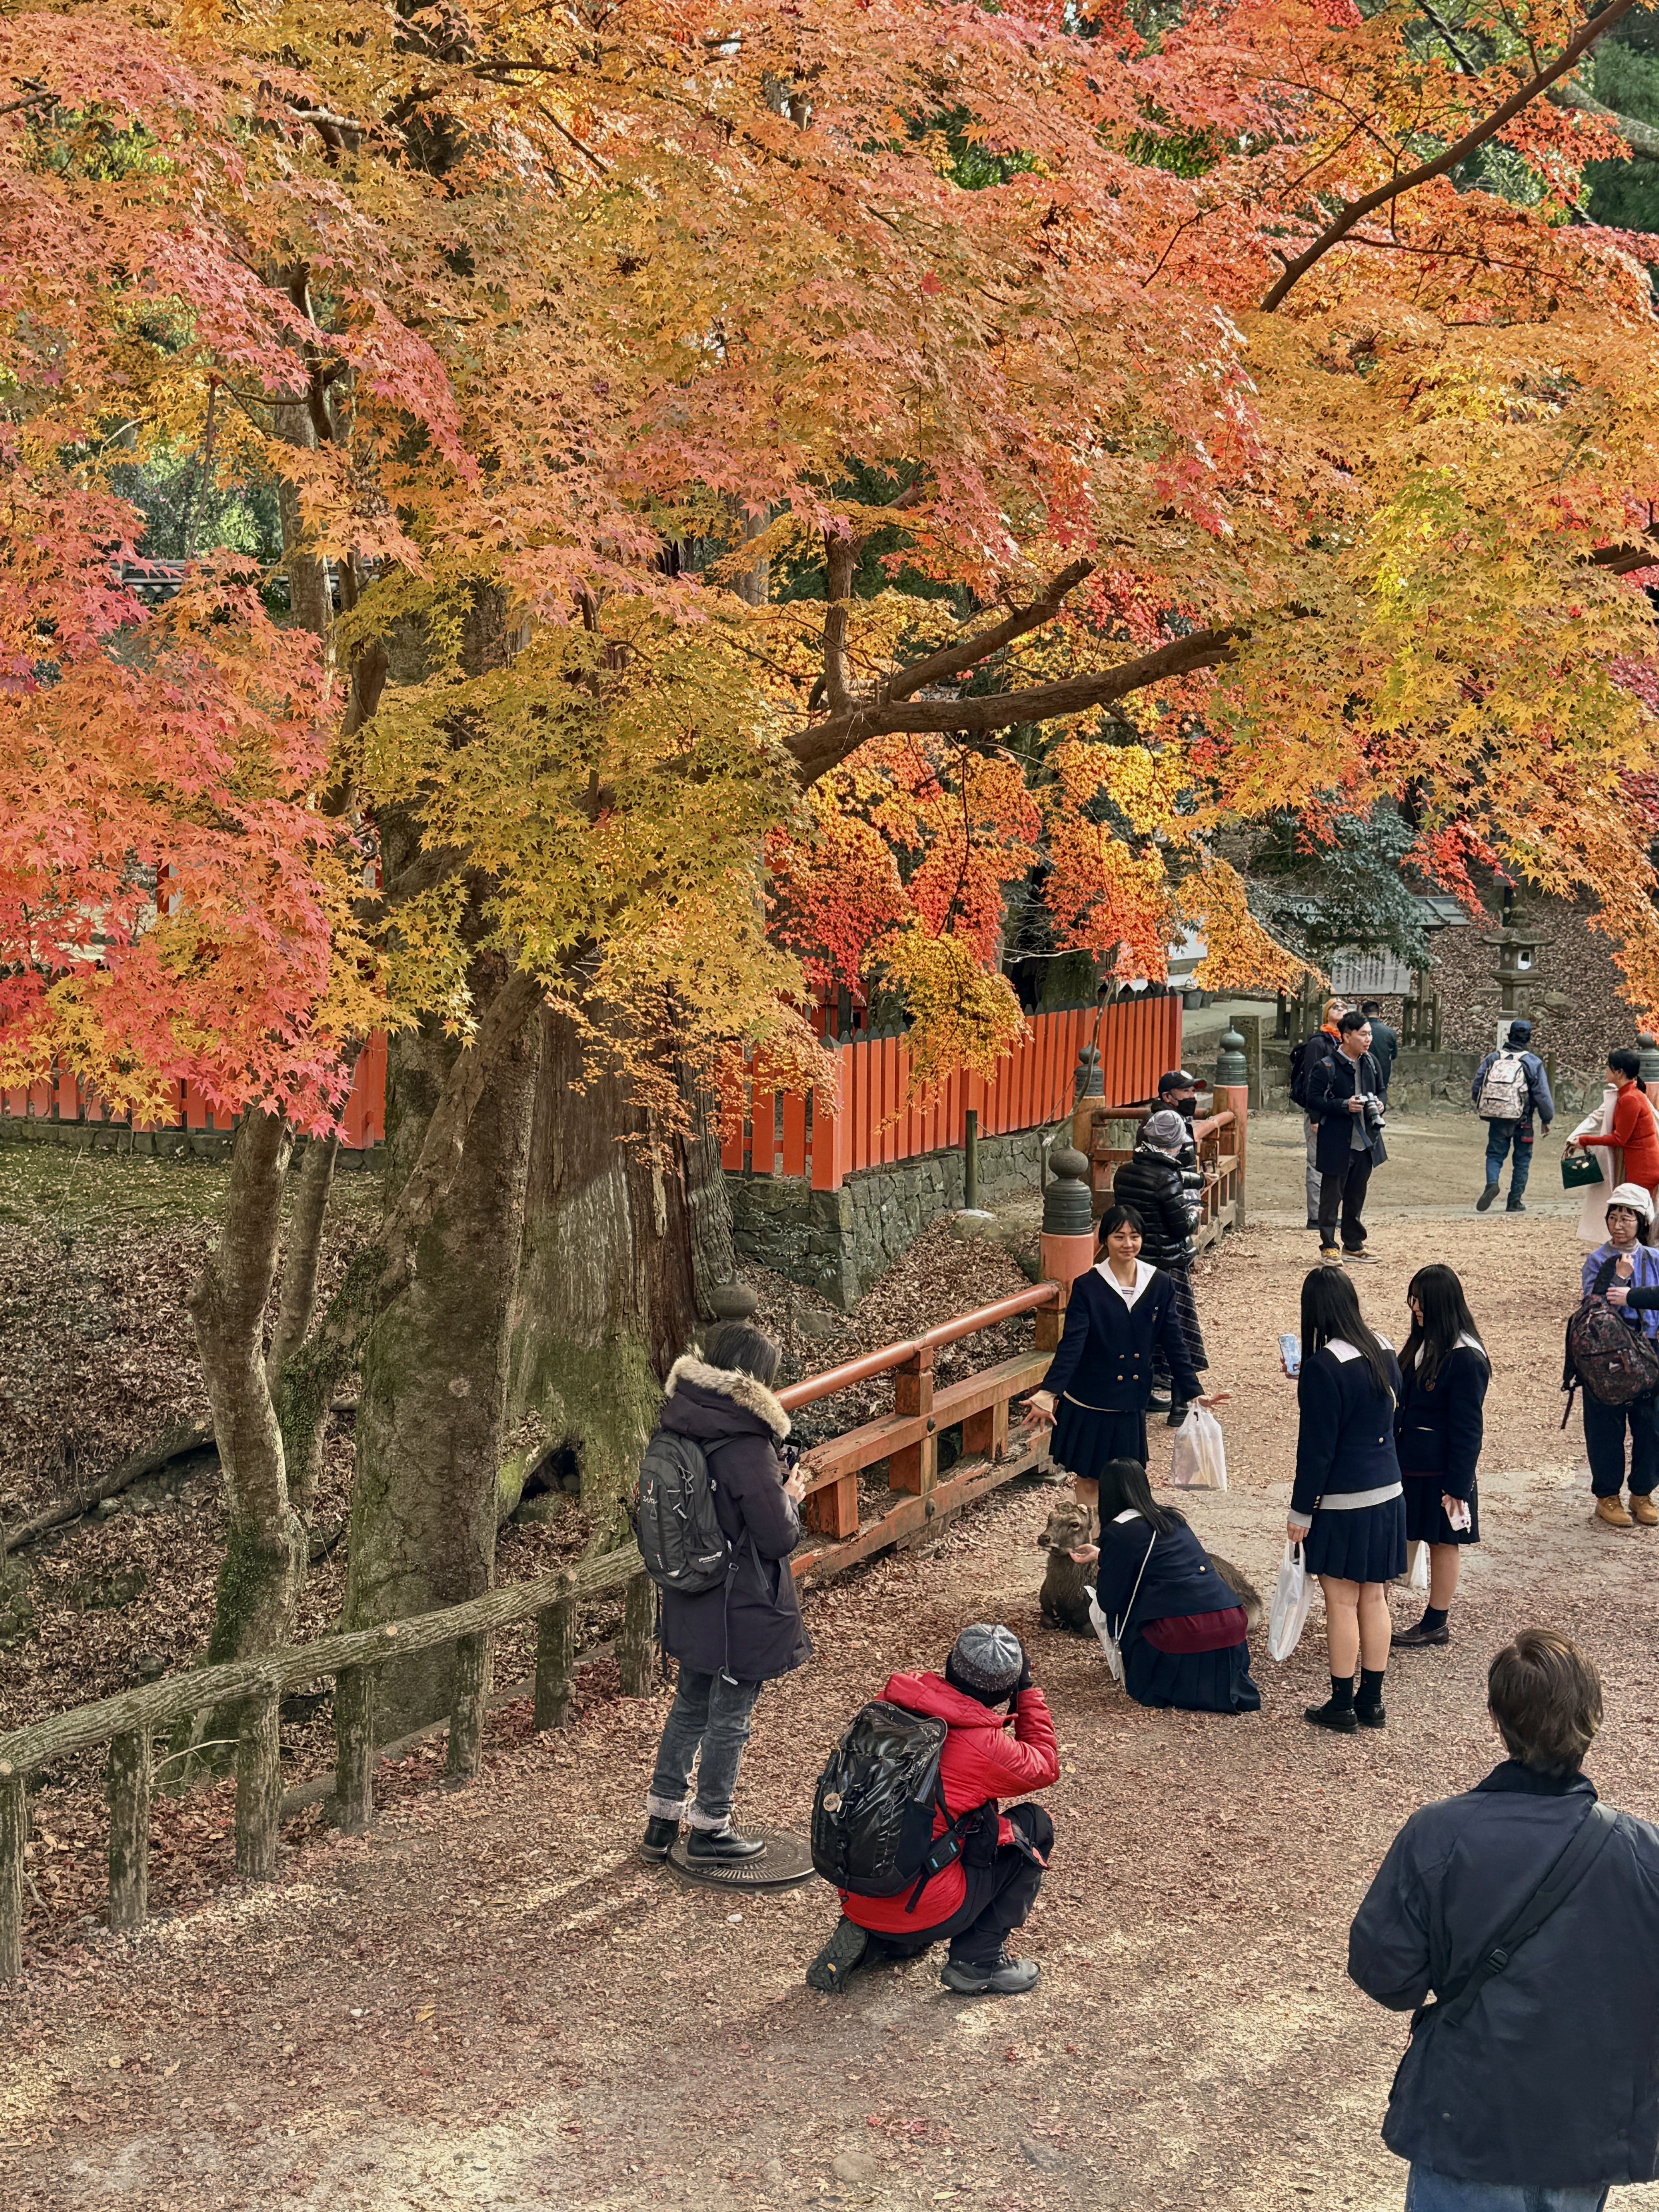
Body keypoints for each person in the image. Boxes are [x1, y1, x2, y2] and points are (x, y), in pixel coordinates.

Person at [1348, 1628, 1659, 2209]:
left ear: (1497, 1720)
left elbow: (1388, 1976)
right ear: (1594, 1716)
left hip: (1470, 2119)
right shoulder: (1644, 1852)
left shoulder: (1439, 1834)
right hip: (1586, 2130)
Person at [805, 1624, 1059, 1997]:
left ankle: (880, 1938)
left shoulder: (886, 1706)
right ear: (1004, 1693)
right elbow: (1045, 1762)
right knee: (1033, 1826)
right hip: (925, 1901)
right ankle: (978, 1962)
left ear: (948, 1665)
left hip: (859, 1887)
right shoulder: (984, 1746)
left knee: (942, 1822)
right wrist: (1027, 1690)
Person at [640, 1323, 811, 1864]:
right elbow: (777, 1535)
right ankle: (711, 1826)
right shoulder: (745, 1440)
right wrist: (790, 1496)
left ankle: (662, 1822)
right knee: (730, 1715)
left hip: (695, 1590)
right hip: (741, 1601)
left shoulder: (681, 1420)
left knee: (690, 1702)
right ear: (756, 1378)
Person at [1020, 1204, 1226, 1500]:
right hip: (1090, 1398)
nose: (1128, 1244)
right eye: (1119, 1237)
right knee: (1090, 1479)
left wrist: (1194, 1392)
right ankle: (1091, 1542)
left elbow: (1174, 1343)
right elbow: (1072, 1343)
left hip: (1131, 1399)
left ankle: (1116, 1543)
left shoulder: (1159, 1283)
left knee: (1128, 1480)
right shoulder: (1088, 1285)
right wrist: (1049, 1392)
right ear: (1105, 1240)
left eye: (1134, 1236)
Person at [1287, 1266, 1406, 1731]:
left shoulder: (1321, 1368)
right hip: (1389, 1489)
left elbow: (1316, 1449)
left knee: (1341, 1601)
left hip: (1343, 1500)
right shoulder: (1384, 1347)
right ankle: (1372, 1700)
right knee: (1374, 1597)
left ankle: (1341, 1703)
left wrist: (1301, 1509)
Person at [1083, 1457, 1260, 1714]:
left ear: (1107, 1494)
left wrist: (1106, 1564)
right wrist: (1103, 1555)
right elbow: (1163, 1562)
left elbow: (1111, 1600)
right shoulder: (1173, 1519)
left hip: (1182, 1634)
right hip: (1230, 1627)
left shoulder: (1117, 1531)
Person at [1391, 1266, 1488, 1649]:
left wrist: (1457, 1485)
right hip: (1411, 1461)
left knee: (1444, 1542)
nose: (1415, 1307)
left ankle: (1436, 1621)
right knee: (1415, 1536)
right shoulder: (1424, 1342)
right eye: (1412, 1299)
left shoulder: (1466, 1357)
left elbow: (1468, 1428)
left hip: (1441, 1468)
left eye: (1421, 1300)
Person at [1110, 1108, 1207, 1425]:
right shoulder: (1167, 1179)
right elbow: (1183, 1227)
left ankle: (1144, 1395)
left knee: (1142, 1330)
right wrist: (1195, 1208)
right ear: (1175, 1145)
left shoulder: (1124, 1173)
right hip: (1168, 1265)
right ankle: (1181, 1403)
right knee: (1179, 1331)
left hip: (1136, 1263)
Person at [1571, 1184, 1659, 1530]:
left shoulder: (1654, 1259)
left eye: (1628, 1218)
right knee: (1606, 1427)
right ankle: (1607, 1496)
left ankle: (1642, 1493)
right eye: (1614, 1217)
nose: (1619, 1224)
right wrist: (1617, 1278)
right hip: (1605, 1356)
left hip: (1649, 1351)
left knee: (1651, 1426)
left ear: (1643, 1222)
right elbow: (1592, 1309)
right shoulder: (1597, 1260)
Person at [1304, 1008, 1388, 1265]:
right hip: (1337, 1140)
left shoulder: (1371, 1062)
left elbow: (1382, 1090)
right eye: (1363, 1034)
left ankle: (1353, 1245)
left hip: (1366, 1141)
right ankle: (1329, 1245)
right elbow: (1313, 1100)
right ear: (1347, 1036)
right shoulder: (1326, 1066)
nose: (1368, 1039)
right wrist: (1343, 1105)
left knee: (1356, 1196)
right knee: (1331, 1196)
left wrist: (1381, 1105)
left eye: (1370, 1034)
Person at [1472, 1018, 1554, 1214]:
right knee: (1522, 1159)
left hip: (1498, 1118)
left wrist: (1483, 1105)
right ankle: (1514, 1201)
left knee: (1494, 1154)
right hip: (1523, 1120)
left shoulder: (1493, 1058)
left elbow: (1478, 1084)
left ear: (1509, 1036)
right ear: (1529, 1038)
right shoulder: (1532, 1063)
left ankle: (1492, 1183)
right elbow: (1542, 1094)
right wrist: (1547, 1119)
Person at [1575, 1048, 1659, 1217]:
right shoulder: (1630, 1093)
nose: (1606, 1070)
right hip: (1641, 1162)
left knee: (1636, 1215)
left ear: (1619, 1073)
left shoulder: (1630, 1098)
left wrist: (1585, 1140)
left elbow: (1619, 1138)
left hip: (1642, 1166)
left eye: (1609, 1067)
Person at [1292, 998, 1347, 1231]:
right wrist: (1314, 1116)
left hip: (1337, 1111)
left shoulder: (1345, 1041)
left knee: (1338, 1164)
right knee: (1316, 1162)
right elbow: (1310, 1082)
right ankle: (1315, 1214)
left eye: (1344, 1007)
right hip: (1320, 1111)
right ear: (1326, 1014)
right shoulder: (1319, 1043)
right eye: (1335, 1007)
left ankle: (1330, 1212)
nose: (1340, 1010)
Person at [1360, 1000, 1399, 1098]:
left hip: (1362, 1071)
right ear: (1379, 1014)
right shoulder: (1390, 1033)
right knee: (1380, 1100)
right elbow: (1394, 1055)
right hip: (1383, 1072)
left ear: (1363, 1014)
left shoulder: (1358, 1032)